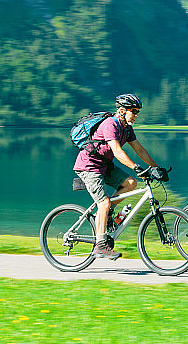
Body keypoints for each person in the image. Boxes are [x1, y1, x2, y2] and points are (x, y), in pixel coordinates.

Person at [73, 93, 162, 259]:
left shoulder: (127, 129)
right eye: (133, 111)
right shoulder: (110, 125)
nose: (136, 115)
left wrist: (156, 168)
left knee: (130, 183)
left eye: (137, 112)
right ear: (122, 111)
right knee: (104, 202)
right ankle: (100, 245)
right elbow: (117, 152)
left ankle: (107, 217)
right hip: (89, 166)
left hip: (105, 166)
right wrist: (137, 167)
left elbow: (140, 149)